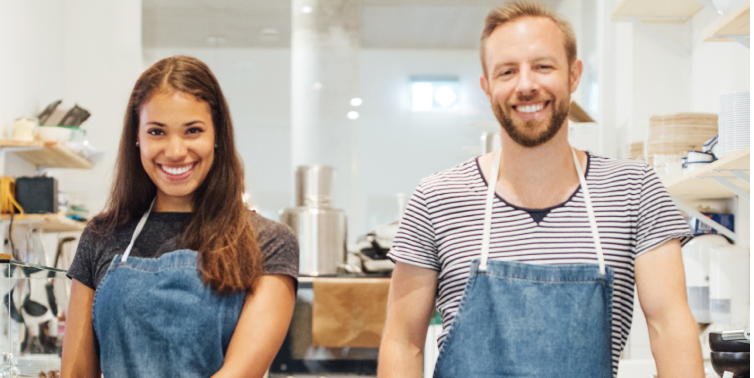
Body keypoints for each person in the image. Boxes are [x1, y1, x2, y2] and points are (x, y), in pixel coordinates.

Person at [378, 2, 704, 378]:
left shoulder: (635, 190)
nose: (526, 84)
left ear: (574, 75)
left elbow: (670, 327)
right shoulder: (436, 198)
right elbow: (403, 342)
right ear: (487, 87)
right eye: (507, 71)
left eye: (543, 66)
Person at [61, 56, 299, 378]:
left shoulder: (268, 242)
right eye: (157, 131)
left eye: (193, 131)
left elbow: (241, 373)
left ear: (217, 135)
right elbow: (77, 375)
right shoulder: (101, 236)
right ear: (138, 138)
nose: (175, 151)